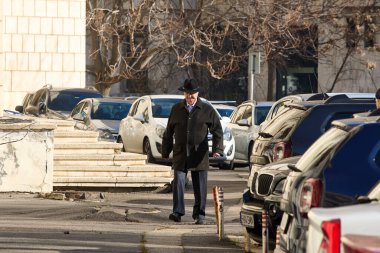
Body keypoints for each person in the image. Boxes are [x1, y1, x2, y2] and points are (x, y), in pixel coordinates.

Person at [162, 78, 223, 224]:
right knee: (178, 182)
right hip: (180, 152)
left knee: (200, 186)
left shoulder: (207, 109)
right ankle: (177, 212)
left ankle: (199, 215)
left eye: (192, 93)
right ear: (184, 93)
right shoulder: (176, 109)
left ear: (197, 93)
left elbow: (217, 131)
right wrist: (165, 151)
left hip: (199, 153)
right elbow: (168, 132)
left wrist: (217, 149)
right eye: (187, 93)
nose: (190, 96)